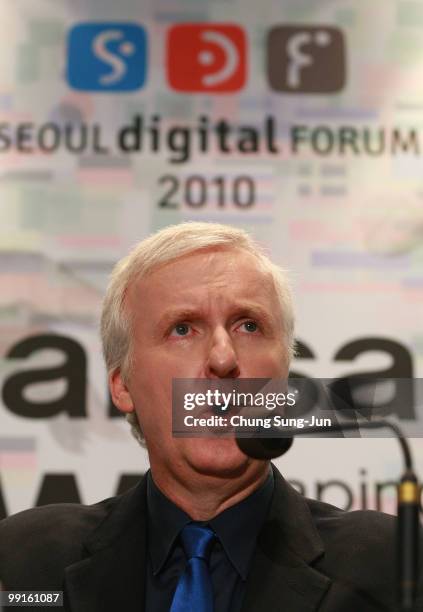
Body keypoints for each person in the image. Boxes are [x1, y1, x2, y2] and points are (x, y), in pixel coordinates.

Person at [0, 221, 421, 611]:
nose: (223, 358)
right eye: (183, 328)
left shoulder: (392, 564)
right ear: (123, 386)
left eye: (248, 326)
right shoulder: (23, 560)